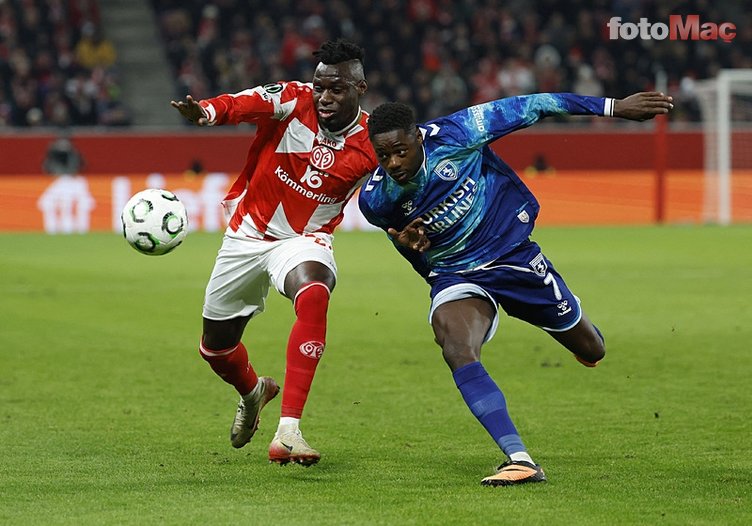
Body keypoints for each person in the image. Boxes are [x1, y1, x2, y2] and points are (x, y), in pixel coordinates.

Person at [359, 92, 673, 485]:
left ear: (418, 137)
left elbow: (536, 105)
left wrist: (613, 108)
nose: (392, 164)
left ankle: (565, 318)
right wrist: (419, 254)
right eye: (383, 156)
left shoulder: (460, 133)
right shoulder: (377, 200)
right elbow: (408, 249)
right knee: (455, 345)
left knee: (592, 348)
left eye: (400, 152)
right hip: (456, 274)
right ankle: (519, 458)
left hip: (512, 255)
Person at [171, 39, 376, 466]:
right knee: (216, 348)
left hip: (305, 239)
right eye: (320, 87)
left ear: (360, 88)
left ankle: (288, 431)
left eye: (336, 89)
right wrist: (206, 112)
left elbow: (400, 189)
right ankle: (253, 392)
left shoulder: (372, 141)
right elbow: (243, 104)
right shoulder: (293, 98)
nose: (324, 97)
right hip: (247, 236)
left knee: (314, 292)